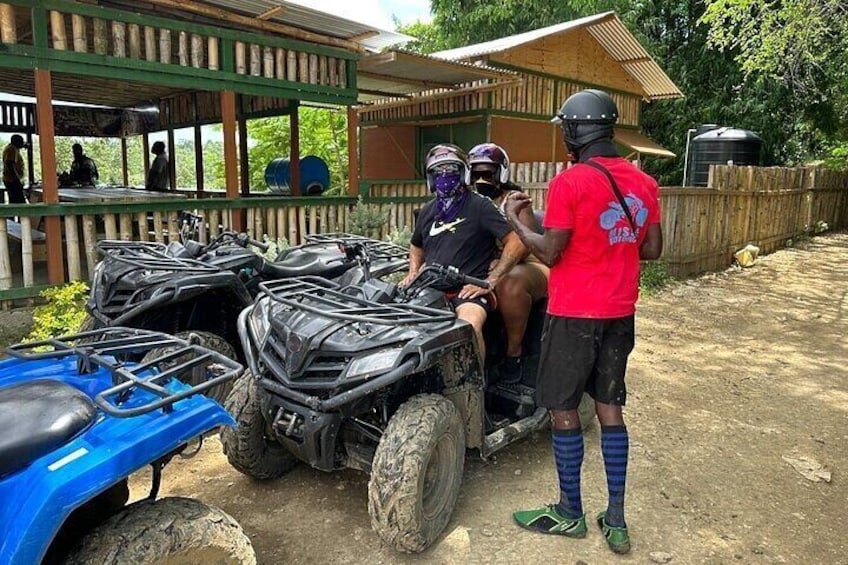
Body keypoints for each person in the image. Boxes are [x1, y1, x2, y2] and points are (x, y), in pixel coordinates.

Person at [506, 89, 663, 554]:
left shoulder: (569, 182)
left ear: (575, 131)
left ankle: (570, 512)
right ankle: (615, 520)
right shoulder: (643, 182)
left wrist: (516, 219)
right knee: (610, 408)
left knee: (563, 408)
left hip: (574, 314)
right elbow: (652, 250)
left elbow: (550, 250)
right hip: (620, 313)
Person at [401, 143, 526, 363]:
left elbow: (516, 241)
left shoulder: (480, 206)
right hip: (430, 288)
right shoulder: (428, 210)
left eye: (451, 170)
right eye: (438, 172)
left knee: (468, 326)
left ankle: (474, 390)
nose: (445, 176)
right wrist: (413, 272)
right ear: (430, 178)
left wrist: (490, 280)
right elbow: (416, 245)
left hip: (469, 289)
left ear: (464, 173)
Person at [468, 142, 549, 383]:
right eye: (476, 173)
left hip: (529, 265)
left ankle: (514, 353)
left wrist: (498, 263)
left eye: (488, 173)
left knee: (508, 284)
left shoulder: (515, 200)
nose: (482, 179)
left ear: (500, 173)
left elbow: (525, 246)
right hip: (489, 266)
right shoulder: (468, 202)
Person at [2, 134, 27, 204]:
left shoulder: (11, 148)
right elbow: (9, 164)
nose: (22, 143)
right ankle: (18, 214)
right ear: (17, 142)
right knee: (19, 201)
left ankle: (14, 214)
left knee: (14, 201)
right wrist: (17, 180)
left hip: (10, 180)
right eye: (21, 142)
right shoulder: (12, 149)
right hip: (12, 180)